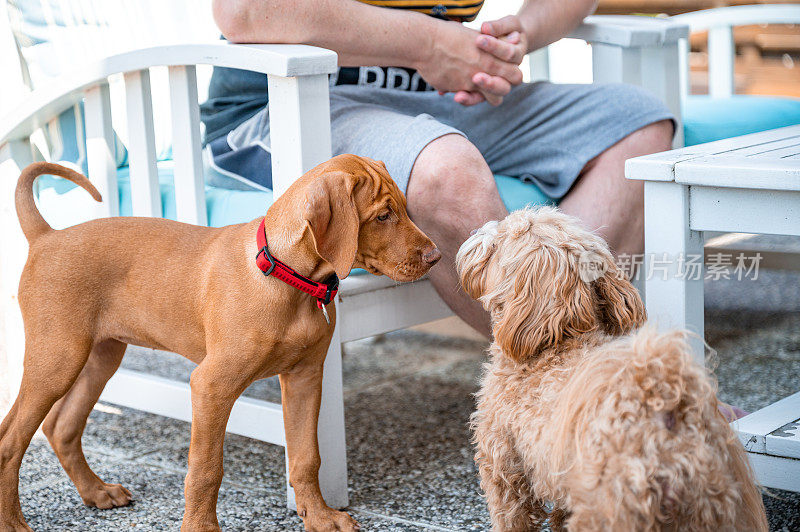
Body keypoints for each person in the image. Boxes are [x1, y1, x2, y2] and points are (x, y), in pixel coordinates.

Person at [201, 0, 675, 337]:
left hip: (438, 97)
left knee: (637, 127)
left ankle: (583, 340)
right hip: (291, 96)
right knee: (446, 170)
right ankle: (581, 377)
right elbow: (244, 9)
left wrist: (517, 35)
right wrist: (429, 45)